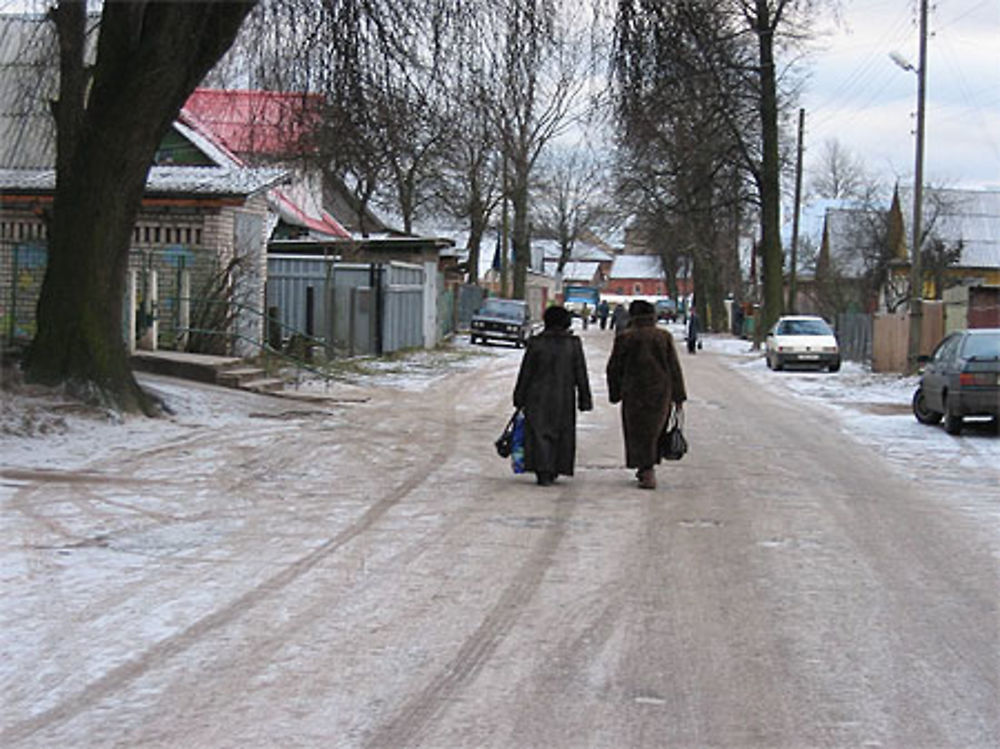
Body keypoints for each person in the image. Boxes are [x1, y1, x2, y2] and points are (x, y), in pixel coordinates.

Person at [606, 299, 687, 490]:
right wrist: (678, 396)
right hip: (660, 392)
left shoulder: (625, 337)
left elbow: (613, 368)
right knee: (654, 431)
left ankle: (646, 469)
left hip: (633, 392)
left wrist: (615, 392)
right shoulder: (663, 336)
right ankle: (647, 468)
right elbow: (673, 367)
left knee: (636, 433)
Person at [513, 305, 593, 486]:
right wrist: (584, 398)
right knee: (562, 432)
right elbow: (581, 372)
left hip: (536, 396)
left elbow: (526, 372)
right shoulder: (572, 344)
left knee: (539, 433)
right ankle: (556, 466)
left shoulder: (536, 343)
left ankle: (543, 470)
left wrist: (519, 396)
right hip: (563, 396)